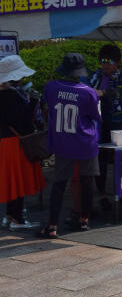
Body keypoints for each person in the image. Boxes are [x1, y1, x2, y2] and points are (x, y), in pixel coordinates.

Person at [39, 53, 101, 237]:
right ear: (80, 72)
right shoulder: (88, 91)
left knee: (59, 184)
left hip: (62, 142)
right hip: (85, 141)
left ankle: (52, 226)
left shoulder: (51, 87)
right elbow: (95, 116)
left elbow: (46, 108)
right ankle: (84, 220)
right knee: (87, 180)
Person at [0, 55, 44, 230]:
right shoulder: (11, 95)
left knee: (12, 180)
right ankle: (17, 218)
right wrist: (33, 101)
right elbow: (24, 121)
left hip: (5, 142)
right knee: (18, 180)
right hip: (15, 142)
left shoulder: (3, 93)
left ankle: (10, 215)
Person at [88, 43, 122, 197]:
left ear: (117, 62)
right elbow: (87, 89)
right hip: (99, 124)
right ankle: (102, 195)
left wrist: (103, 92)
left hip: (119, 124)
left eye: (109, 61)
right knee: (100, 161)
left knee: (121, 158)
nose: (105, 65)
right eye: (102, 61)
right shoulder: (95, 76)